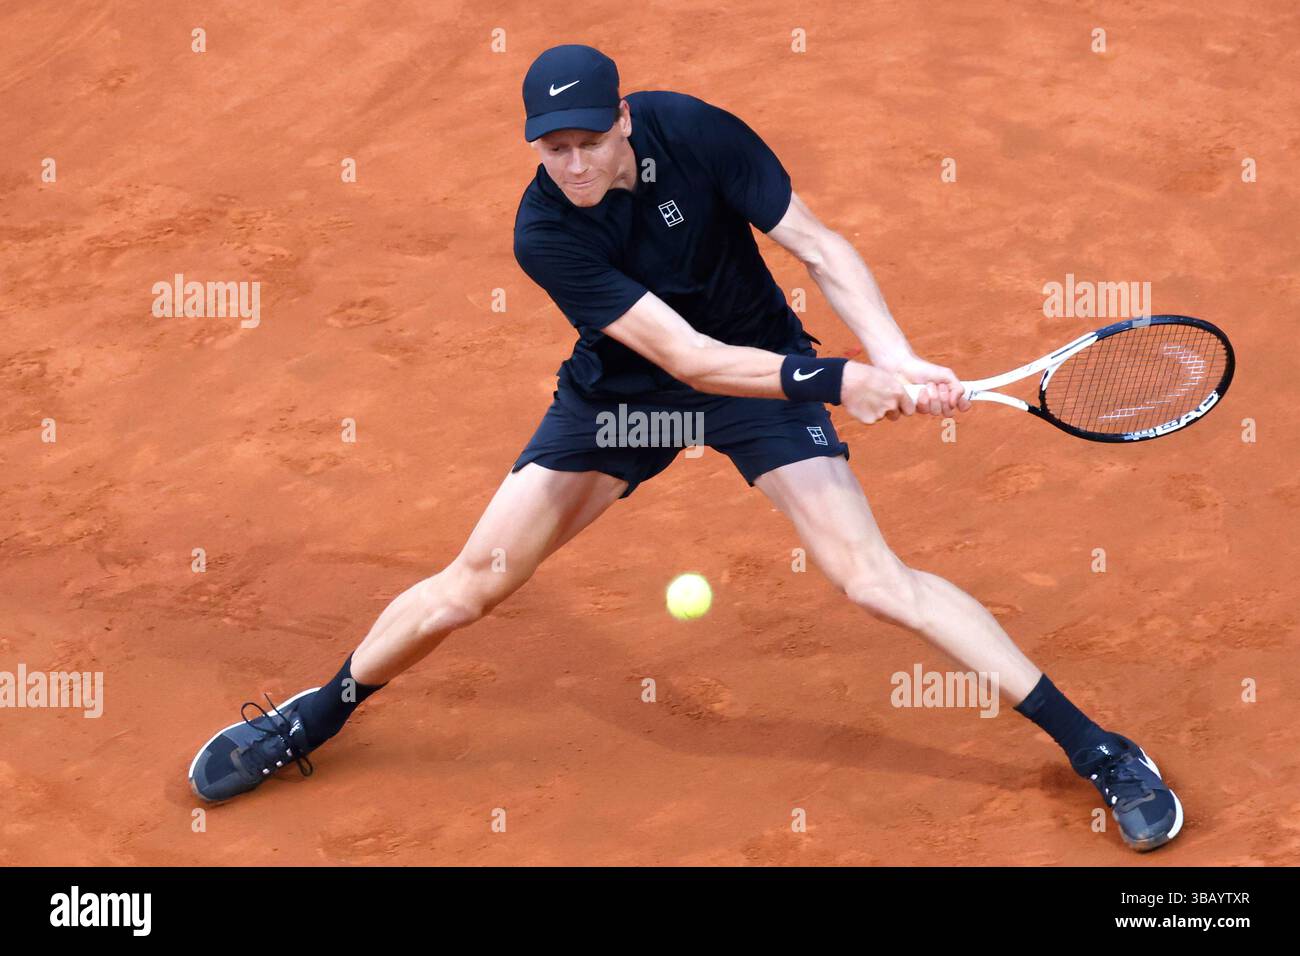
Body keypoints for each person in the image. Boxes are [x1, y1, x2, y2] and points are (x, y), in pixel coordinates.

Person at [189, 44, 1182, 853]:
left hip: (761, 381)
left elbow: (822, 249)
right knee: (474, 580)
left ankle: (1097, 747)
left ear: (624, 122)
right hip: (634, 395)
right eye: (551, 148)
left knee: (873, 578)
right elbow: (688, 358)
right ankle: (315, 713)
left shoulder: (696, 131)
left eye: (587, 141)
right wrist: (843, 381)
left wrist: (896, 356)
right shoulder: (544, 233)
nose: (571, 164)